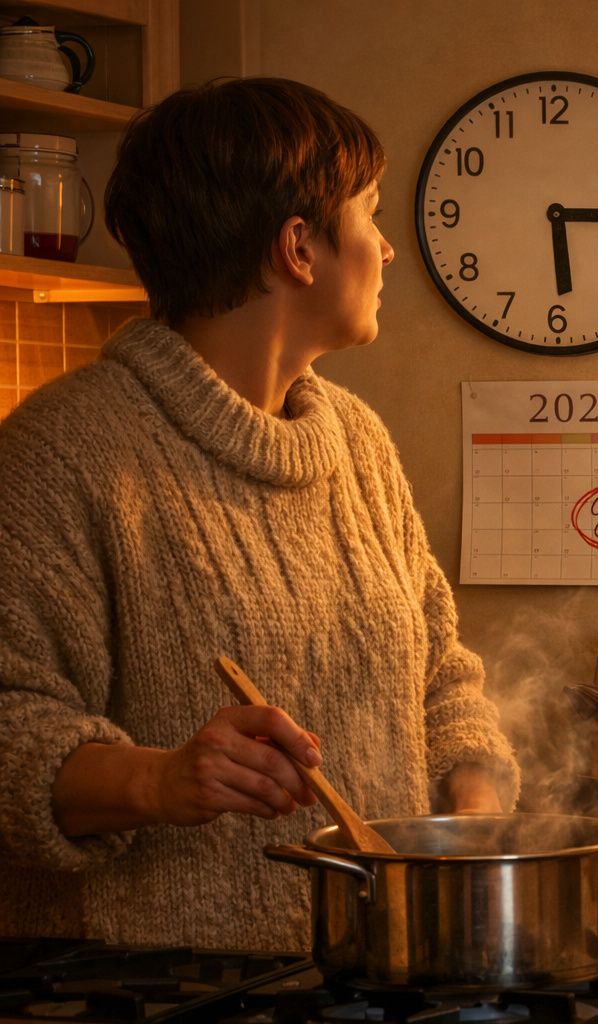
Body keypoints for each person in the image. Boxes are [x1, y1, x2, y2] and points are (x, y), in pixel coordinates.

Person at [0, 78, 519, 950]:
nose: (388, 251)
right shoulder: (60, 455)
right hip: (157, 996)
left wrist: (469, 824)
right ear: (299, 249)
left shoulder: (356, 442)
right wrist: (162, 781)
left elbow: (443, 679)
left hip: (373, 973)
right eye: (372, 217)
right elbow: (11, 722)